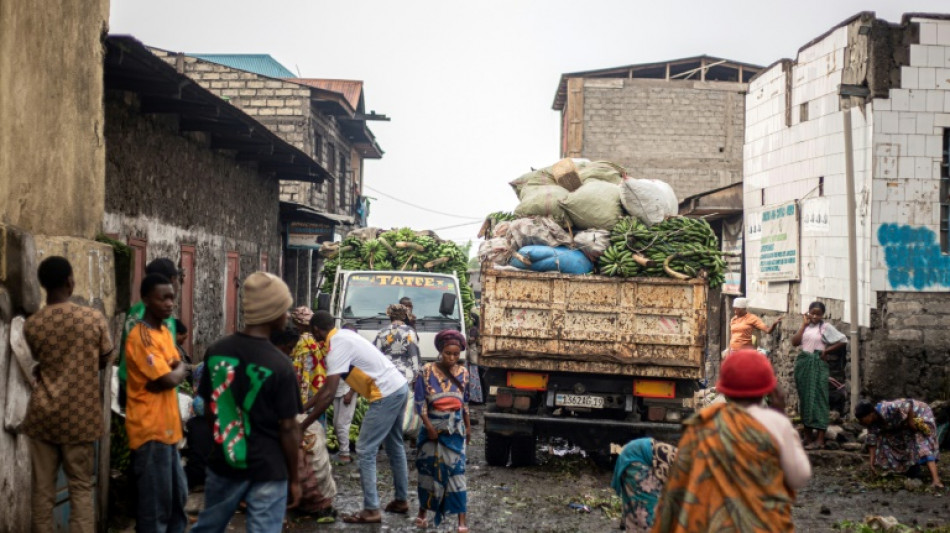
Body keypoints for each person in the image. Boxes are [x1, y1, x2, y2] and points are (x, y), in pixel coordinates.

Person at [190, 272, 303, 532]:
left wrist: (222, 444)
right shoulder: (281, 365)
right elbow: (288, 428)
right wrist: (295, 479)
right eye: (285, 309)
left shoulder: (216, 352)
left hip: (224, 462)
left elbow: (210, 409)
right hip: (268, 469)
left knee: (208, 527)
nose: (287, 315)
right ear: (272, 312)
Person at [653, 349, 811, 531]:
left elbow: (680, 483)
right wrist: (782, 416)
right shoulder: (777, 423)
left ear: (725, 390)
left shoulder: (703, 424)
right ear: (767, 390)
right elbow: (799, 477)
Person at [23, 256, 114, 533]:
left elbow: (43, 362)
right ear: (70, 281)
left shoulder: (33, 324)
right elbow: (106, 357)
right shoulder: (92, 318)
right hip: (80, 416)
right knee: (81, 488)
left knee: (42, 492)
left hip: (43, 417)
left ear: (43, 285)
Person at [302, 310, 410, 525]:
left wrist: (303, 424)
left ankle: (371, 509)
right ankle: (401, 500)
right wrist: (303, 407)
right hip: (399, 387)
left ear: (316, 330)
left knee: (364, 449)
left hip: (385, 393)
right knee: (395, 445)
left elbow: (330, 394)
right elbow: (327, 387)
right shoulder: (343, 336)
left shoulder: (336, 347)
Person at [124, 273, 190, 533]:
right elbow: (169, 378)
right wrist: (172, 373)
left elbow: (177, 367)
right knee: (156, 510)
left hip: (169, 431)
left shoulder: (163, 332)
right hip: (150, 432)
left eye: (172, 298)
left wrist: (175, 371)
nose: (169, 303)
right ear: (146, 300)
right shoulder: (141, 337)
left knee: (177, 501)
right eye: (163, 298)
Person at [413, 330, 472, 532]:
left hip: (455, 431)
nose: (452, 358)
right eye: (448, 353)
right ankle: (422, 513)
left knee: (457, 473)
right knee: (427, 472)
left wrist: (468, 427)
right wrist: (429, 427)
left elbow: (465, 403)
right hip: (432, 428)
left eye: (456, 354)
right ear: (440, 351)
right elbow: (420, 403)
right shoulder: (426, 371)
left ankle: (461, 522)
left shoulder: (464, 373)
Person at [118, 258, 180, 408]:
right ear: (172, 280)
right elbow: (167, 370)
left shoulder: (136, 310)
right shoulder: (157, 316)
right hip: (150, 399)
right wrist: (181, 369)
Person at [791, 301, 847, 449]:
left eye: (818, 314)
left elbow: (843, 340)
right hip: (804, 364)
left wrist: (826, 351)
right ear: (808, 313)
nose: (815, 316)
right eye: (812, 313)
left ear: (823, 315)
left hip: (818, 364)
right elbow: (794, 342)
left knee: (819, 399)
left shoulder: (825, 328)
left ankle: (820, 439)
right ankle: (808, 437)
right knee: (805, 400)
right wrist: (803, 325)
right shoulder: (805, 327)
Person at [856, 399, 943, 488]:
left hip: (918, 413)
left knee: (921, 443)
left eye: (862, 420)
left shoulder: (887, 408)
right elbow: (872, 442)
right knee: (891, 442)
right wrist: (872, 462)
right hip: (903, 423)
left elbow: (908, 404)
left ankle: (936, 480)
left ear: (871, 414)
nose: (861, 423)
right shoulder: (872, 425)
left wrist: (911, 422)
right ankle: (911, 469)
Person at [611, 438, 677, 533]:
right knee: (647, 513)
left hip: (635, 451)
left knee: (640, 504)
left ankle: (629, 523)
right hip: (637, 457)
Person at [289, 306, 328, 406]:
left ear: (300, 324)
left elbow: (297, 365)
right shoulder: (320, 338)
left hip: (308, 384)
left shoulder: (302, 340)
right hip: (321, 382)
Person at [374, 303, 421, 383]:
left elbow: (377, 356)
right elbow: (414, 355)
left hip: (387, 376)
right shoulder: (409, 332)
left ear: (389, 315)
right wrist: (416, 375)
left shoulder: (382, 332)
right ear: (404, 316)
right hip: (406, 377)